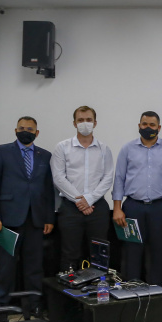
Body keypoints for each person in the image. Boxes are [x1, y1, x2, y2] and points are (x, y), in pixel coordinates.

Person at [0, 116, 55, 306]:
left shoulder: (45, 155)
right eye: (22, 128)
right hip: (7, 219)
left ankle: (34, 305)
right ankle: (3, 306)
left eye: (30, 129)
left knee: (34, 266)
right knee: (6, 266)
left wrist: (49, 218)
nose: (25, 132)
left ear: (37, 133)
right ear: (15, 131)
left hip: (36, 219)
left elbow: (48, 190)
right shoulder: (1, 152)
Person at [112, 111, 162, 287]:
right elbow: (119, 178)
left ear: (159, 127)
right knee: (132, 252)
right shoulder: (127, 149)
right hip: (133, 207)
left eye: (152, 125)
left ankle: (158, 293)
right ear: (139, 126)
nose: (148, 128)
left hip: (160, 207)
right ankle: (131, 292)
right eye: (144, 124)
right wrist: (117, 208)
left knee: (159, 252)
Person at [51, 106, 115, 271]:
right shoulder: (62, 147)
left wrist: (89, 199)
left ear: (95, 123)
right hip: (70, 208)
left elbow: (108, 177)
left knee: (99, 255)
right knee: (69, 254)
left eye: (88, 120)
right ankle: (69, 286)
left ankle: (98, 286)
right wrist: (80, 200)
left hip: (97, 208)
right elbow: (58, 177)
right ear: (74, 123)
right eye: (80, 120)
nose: (84, 123)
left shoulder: (104, 149)